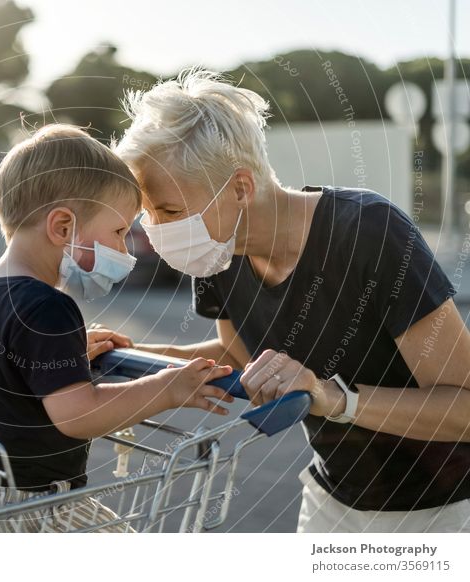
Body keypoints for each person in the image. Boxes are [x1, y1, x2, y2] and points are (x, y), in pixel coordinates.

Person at [112, 68, 470, 533]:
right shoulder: (220, 252)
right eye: (149, 213)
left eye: (171, 211)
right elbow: (238, 355)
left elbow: (464, 406)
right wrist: (128, 352)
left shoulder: (369, 233)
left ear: (240, 187)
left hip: (444, 508)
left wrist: (334, 398)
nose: (155, 228)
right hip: (332, 496)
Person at [0, 123, 235, 532]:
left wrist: (63, 357)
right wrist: (169, 388)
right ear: (62, 227)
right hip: (30, 508)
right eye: (117, 232)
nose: (123, 250)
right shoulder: (47, 307)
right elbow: (78, 415)